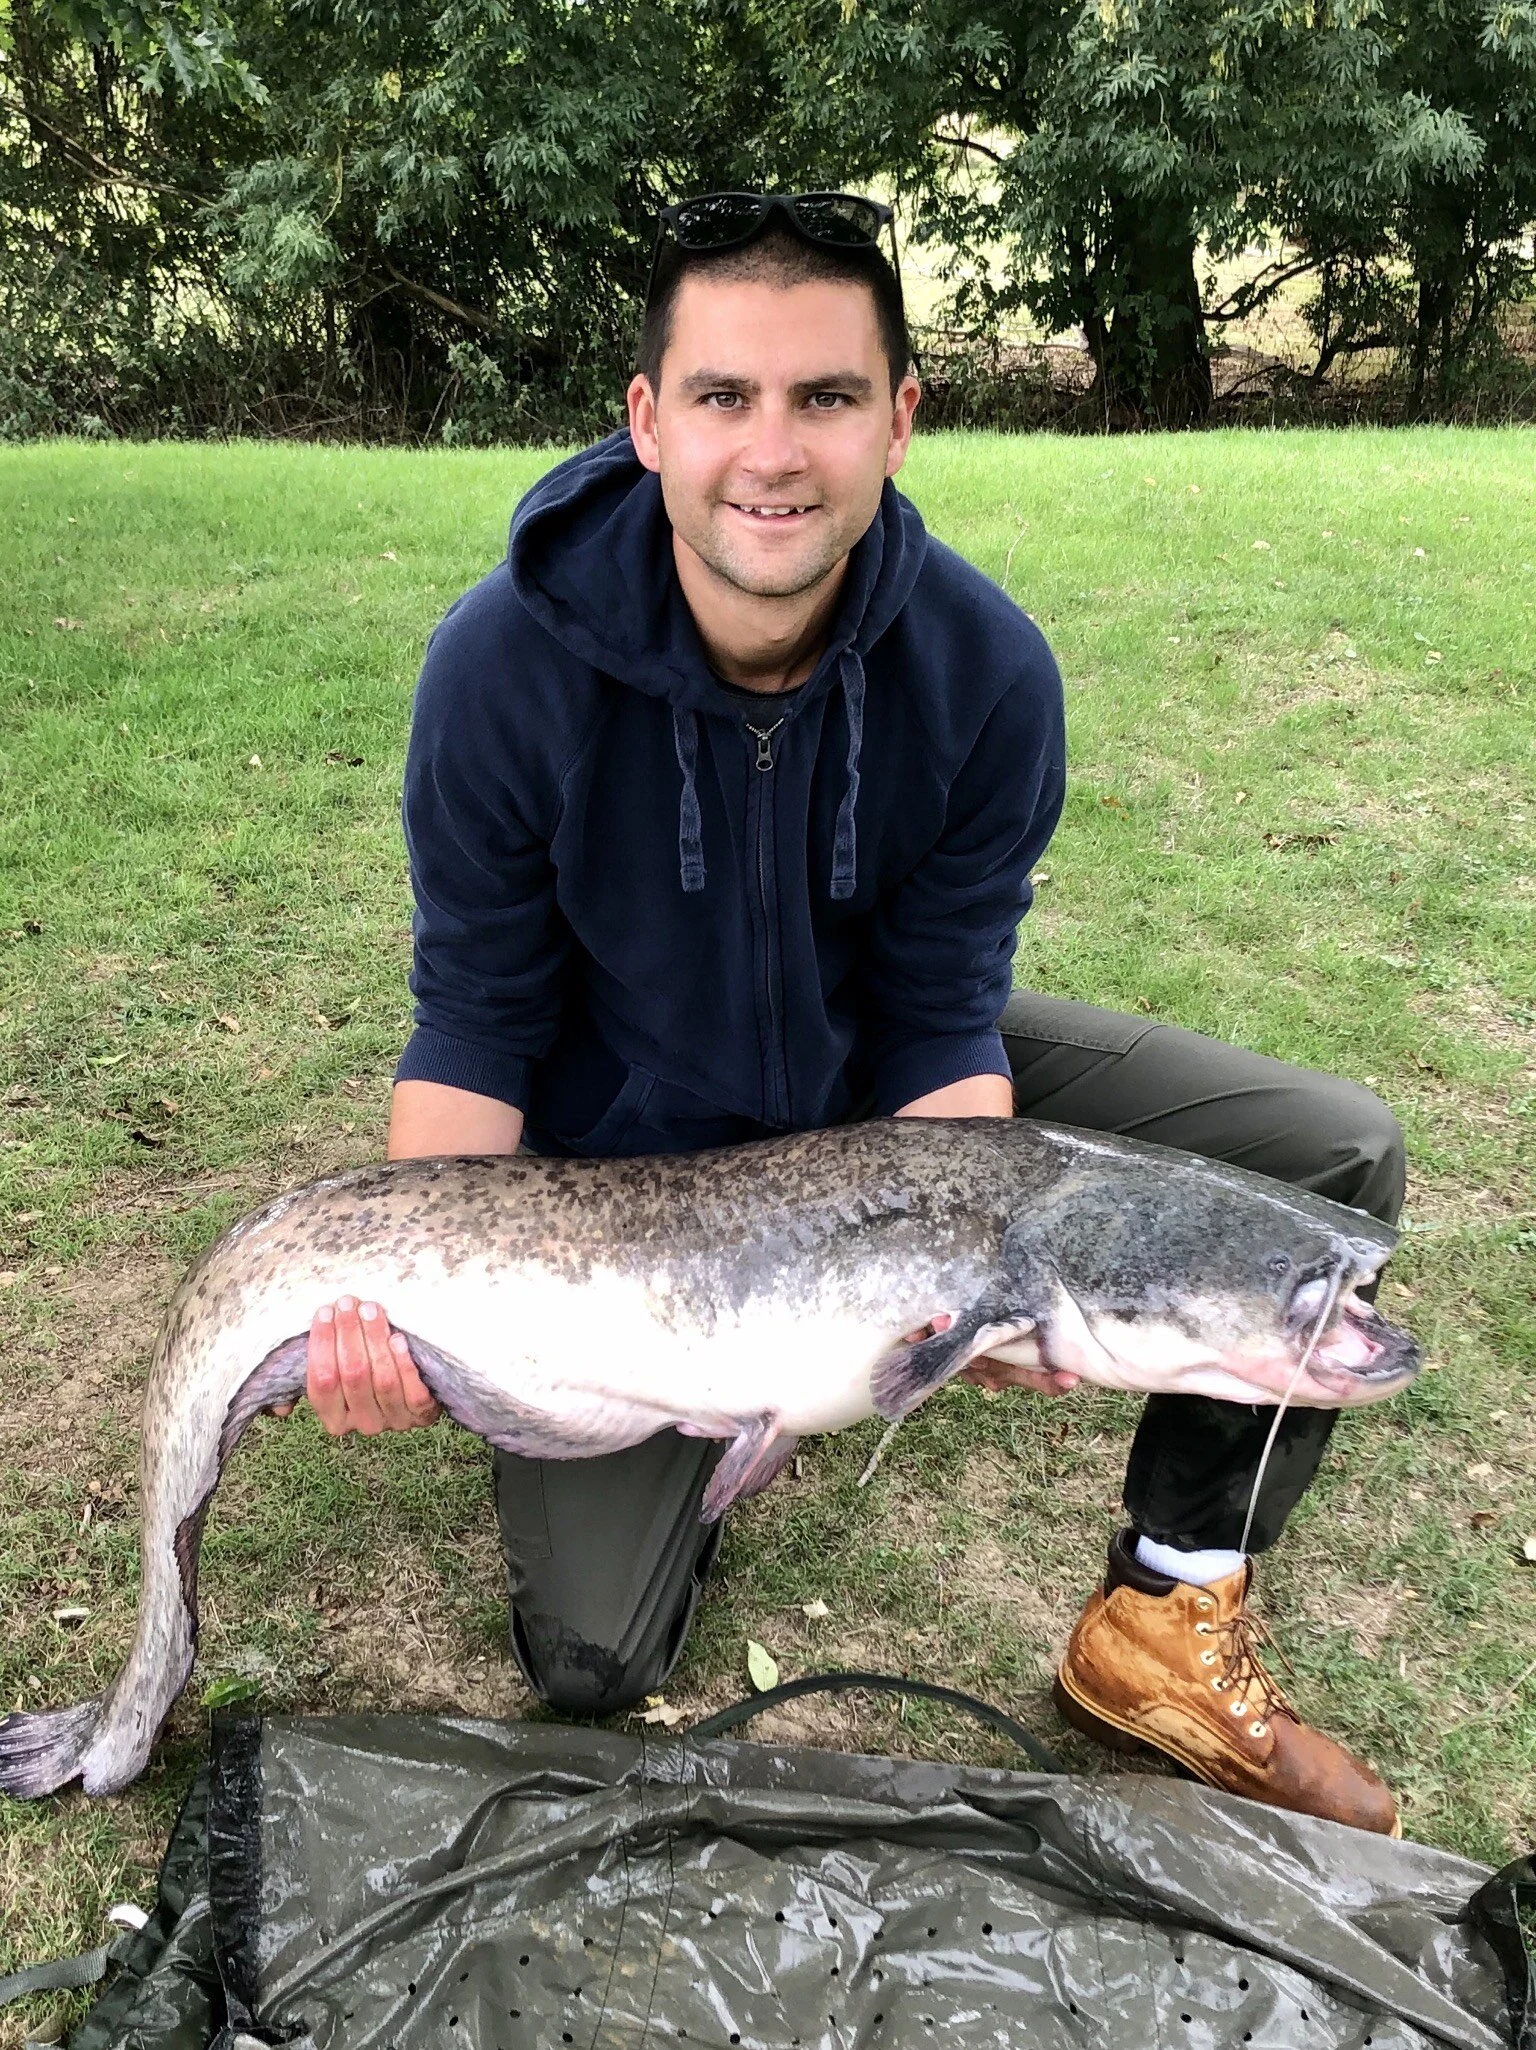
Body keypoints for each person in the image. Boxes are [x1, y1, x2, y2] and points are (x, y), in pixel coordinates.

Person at [292, 192, 1405, 1835]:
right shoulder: (499, 668)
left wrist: (973, 1273)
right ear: (647, 419)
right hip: (637, 1172)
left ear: (900, 417)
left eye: (824, 397)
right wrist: (399, 1288)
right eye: (726, 397)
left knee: (1328, 1156)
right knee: (596, 1653)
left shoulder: (989, 671)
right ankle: (720, 1382)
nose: (774, 451)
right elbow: (475, 1017)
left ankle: (1168, 1606)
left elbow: (946, 1002)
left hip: (874, 1082)